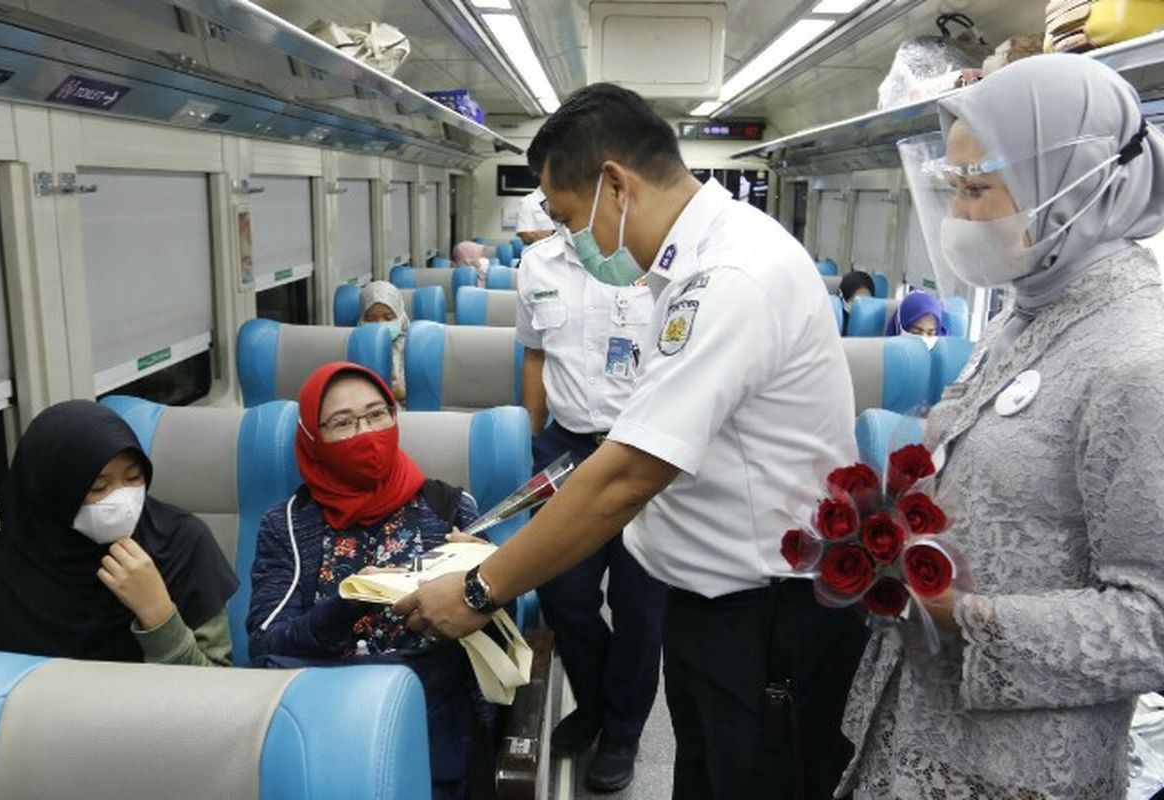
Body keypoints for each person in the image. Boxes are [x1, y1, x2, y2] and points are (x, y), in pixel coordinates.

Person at [396, 82, 869, 800]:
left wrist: (480, 589)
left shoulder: (729, 277)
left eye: (564, 216)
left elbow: (625, 475)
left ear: (614, 185)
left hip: (767, 619)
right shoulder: (691, 267)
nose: (566, 238)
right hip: (719, 607)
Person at [835, 55, 1164, 798]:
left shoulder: (1141, 359)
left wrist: (965, 617)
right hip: (917, 729)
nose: (957, 214)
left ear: (1069, 189)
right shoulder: (1028, 312)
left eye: (976, 188)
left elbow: (1154, 621)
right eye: (953, 188)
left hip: (1018, 772)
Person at [247, 362, 487, 800]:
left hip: (431, 714)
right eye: (343, 423)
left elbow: (494, 639)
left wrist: (482, 581)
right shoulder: (285, 525)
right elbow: (265, 647)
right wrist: (349, 601)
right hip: (319, 720)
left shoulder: (450, 507)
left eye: (378, 415)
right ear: (314, 439)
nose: (366, 434)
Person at [516, 228, 664, 791]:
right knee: (562, 594)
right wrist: (531, 441)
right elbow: (535, 356)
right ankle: (598, 699)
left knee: (639, 605)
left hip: (643, 451)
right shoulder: (537, 264)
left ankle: (622, 729)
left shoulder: (656, 256)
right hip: (567, 447)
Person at [0, 400, 237, 664]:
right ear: (52, 496)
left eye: (133, 478)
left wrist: (159, 616)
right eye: (98, 487)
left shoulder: (182, 544)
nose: (123, 501)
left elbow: (220, 693)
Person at [361, 280, 409, 404]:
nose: (380, 325)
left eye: (388, 318)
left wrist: (404, 393)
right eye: (371, 319)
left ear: (400, 317)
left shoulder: (414, 347)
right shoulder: (355, 349)